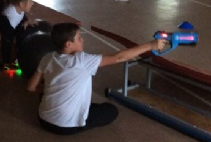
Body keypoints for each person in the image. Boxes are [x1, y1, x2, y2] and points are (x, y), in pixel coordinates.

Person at [27, 22, 167, 135]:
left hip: (43, 120)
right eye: (79, 38)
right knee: (111, 110)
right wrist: (150, 45)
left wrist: (52, 89)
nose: (82, 40)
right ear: (68, 44)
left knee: (49, 89)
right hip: (66, 127)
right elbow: (119, 57)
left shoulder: (48, 57)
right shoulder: (82, 60)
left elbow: (31, 87)